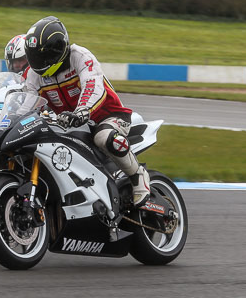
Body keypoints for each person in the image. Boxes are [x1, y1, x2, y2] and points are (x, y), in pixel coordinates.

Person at [22, 16, 150, 208]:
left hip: (108, 116)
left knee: (103, 137)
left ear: (58, 50)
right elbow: (27, 102)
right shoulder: (34, 74)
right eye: (33, 57)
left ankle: (137, 175)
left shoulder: (80, 57)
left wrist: (83, 111)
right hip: (67, 123)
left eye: (42, 57)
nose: (37, 62)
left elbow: (93, 86)